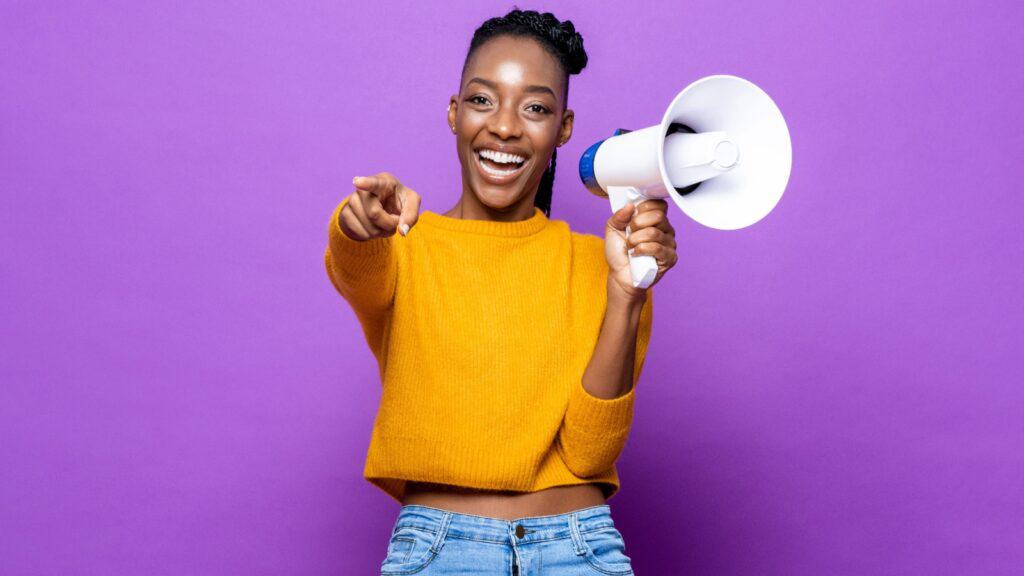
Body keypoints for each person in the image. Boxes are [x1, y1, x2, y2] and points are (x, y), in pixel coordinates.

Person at [325, 8, 677, 575]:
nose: (506, 127)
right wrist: (357, 220)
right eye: (483, 100)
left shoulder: (603, 263)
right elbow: (354, 262)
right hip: (438, 553)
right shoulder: (406, 244)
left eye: (535, 107)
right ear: (454, 111)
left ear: (563, 127)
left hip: (578, 548)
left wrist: (626, 293)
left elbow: (590, 454)